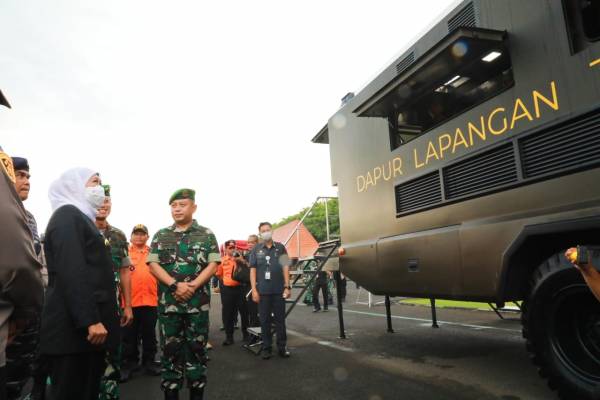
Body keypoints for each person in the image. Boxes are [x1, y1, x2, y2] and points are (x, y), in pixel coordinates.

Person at [41, 168, 120, 400]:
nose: (100, 189)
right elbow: (72, 270)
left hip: (83, 337)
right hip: (74, 334)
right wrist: (90, 320)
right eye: (94, 182)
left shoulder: (80, 218)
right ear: (75, 186)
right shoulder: (67, 216)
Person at [147, 189, 220, 400]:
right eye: (174, 205)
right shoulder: (162, 235)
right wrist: (174, 286)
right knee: (170, 353)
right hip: (169, 306)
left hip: (197, 306)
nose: (177, 209)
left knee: (197, 351)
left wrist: (193, 286)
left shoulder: (206, 234)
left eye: (182, 204)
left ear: (193, 207)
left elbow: (213, 264)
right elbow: (153, 264)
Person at [0, 147, 43, 400]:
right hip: (12, 316)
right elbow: (19, 267)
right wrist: (25, 312)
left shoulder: (30, 218)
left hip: (28, 318)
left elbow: (39, 263)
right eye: (20, 174)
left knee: (23, 376)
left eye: (28, 176)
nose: (26, 181)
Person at [96, 185, 133, 399]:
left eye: (107, 200)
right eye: (99, 200)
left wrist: (128, 305)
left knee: (112, 357)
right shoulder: (79, 228)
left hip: (113, 307)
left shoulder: (118, 235)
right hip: (87, 307)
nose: (103, 205)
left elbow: (125, 272)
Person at [121, 224, 160, 379]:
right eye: (136, 234)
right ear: (131, 237)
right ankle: (130, 364)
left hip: (151, 301)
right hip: (129, 303)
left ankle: (149, 362)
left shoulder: (153, 253)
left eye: (142, 234)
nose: (139, 237)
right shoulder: (124, 253)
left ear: (147, 237)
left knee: (149, 335)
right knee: (128, 336)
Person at [249, 222, 291, 360]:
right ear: (260, 233)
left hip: (279, 291)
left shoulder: (281, 247)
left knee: (280, 321)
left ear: (272, 231)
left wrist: (287, 286)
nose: (266, 232)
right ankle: (267, 348)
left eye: (268, 230)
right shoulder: (255, 249)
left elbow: (286, 267)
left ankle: (282, 347)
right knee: (265, 321)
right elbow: (253, 271)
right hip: (263, 292)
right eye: (263, 231)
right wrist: (254, 290)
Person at [216, 240, 249, 345]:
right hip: (227, 290)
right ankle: (229, 337)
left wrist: (241, 260)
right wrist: (226, 282)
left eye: (234, 247)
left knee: (244, 313)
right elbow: (219, 274)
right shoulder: (222, 260)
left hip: (241, 289)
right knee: (228, 314)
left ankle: (246, 336)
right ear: (225, 249)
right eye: (230, 247)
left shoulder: (241, 258)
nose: (233, 249)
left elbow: (250, 269)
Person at [245, 235, 260, 328]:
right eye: (248, 242)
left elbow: (253, 267)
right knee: (251, 311)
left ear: (257, 243)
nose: (250, 244)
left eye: (252, 242)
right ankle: (253, 331)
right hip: (247, 285)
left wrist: (243, 261)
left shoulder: (260, 253)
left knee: (257, 310)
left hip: (257, 284)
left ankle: (259, 332)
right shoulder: (247, 254)